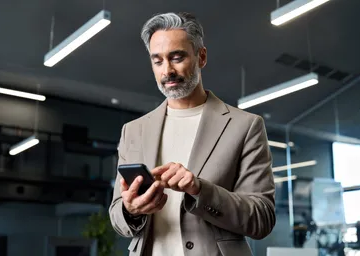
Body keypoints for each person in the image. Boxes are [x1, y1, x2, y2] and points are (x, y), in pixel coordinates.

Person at [109, 12, 276, 256]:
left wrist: (200, 190)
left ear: (202, 57)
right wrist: (131, 210)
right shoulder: (133, 130)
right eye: (157, 61)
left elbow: (262, 218)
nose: (168, 70)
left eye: (177, 58)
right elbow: (116, 214)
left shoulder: (245, 126)